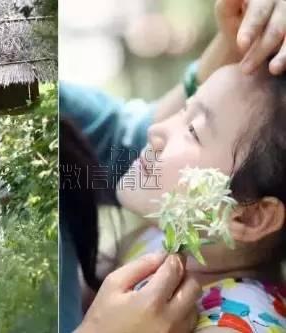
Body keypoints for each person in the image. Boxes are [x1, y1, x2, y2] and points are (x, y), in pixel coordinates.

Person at [59, 0, 286, 332]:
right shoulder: (160, 237)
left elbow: (117, 139)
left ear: (249, 216)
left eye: (192, 130)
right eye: (184, 112)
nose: (156, 130)